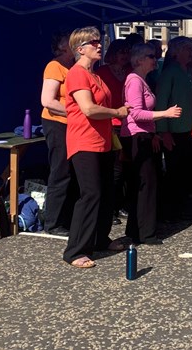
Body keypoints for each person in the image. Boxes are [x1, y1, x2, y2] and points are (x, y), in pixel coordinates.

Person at [62, 27, 129, 269]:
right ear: (80, 49)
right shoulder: (77, 74)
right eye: (93, 42)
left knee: (106, 192)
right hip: (84, 141)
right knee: (90, 194)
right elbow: (88, 109)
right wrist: (117, 112)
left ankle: (100, 238)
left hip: (103, 141)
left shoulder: (97, 75)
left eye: (100, 42)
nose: (99, 45)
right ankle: (75, 250)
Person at [117, 43, 181, 246]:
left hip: (144, 135)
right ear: (139, 60)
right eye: (151, 56)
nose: (155, 59)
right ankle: (144, 233)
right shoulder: (134, 80)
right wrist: (165, 114)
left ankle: (140, 230)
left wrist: (154, 133)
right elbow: (135, 113)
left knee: (145, 183)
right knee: (145, 184)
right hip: (137, 137)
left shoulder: (141, 80)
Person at [154, 36, 192, 221]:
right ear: (176, 52)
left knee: (185, 170)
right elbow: (161, 102)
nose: (191, 53)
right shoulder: (169, 72)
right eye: (187, 49)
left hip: (188, 129)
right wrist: (164, 131)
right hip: (173, 131)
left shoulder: (188, 72)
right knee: (174, 171)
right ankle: (170, 210)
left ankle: (182, 206)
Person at [39, 31, 77, 236]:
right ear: (62, 46)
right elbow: (48, 101)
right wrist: (76, 111)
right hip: (56, 123)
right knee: (60, 171)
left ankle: (68, 218)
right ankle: (52, 223)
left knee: (71, 171)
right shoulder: (54, 66)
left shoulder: (74, 67)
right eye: (71, 42)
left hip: (72, 124)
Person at [96, 39, 131, 222]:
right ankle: (110, 210)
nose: (125, 56)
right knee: (114, 170)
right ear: (113, 54)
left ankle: (120, 204)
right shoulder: (101, 72)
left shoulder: (129, 72)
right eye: (121, 52)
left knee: (125, 169)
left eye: (127, 52)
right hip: (111, 125)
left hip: (127, 124)